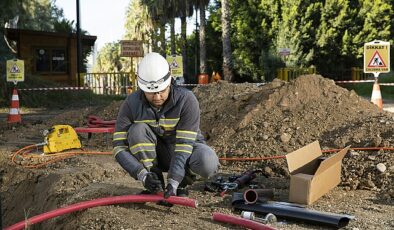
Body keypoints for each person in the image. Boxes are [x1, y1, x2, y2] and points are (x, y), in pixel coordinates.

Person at [113, 52, 219, 198]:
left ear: (169, 81)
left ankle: (182, 183)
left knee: (208, 162)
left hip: (185, 151)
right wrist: (143, 175)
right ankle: (155, 183)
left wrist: (174, 181)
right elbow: (119, 147)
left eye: (161, 90)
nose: (157, 97)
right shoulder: (131, 104)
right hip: (156, 155)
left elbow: (184, 145)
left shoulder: (186, 100)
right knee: (137, 131)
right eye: (151, 92)